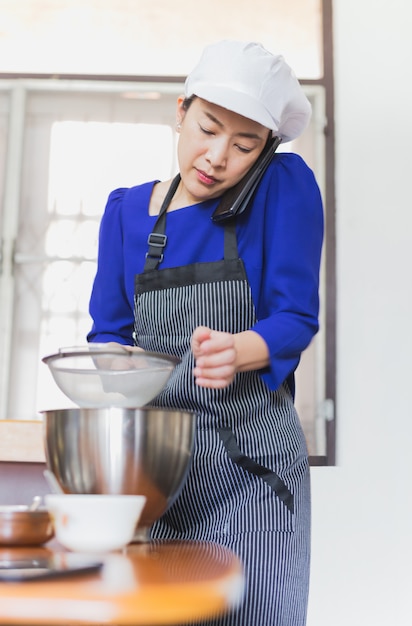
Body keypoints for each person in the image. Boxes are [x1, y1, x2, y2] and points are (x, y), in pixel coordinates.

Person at [87, 40, 324, 626]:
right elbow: (107, 332)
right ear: (180, 110)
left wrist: (237, 351)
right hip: (157, 480)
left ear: (265, 150)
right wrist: (114, 365)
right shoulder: (125, 213)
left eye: (244, 146)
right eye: (208, 128)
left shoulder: (282, 189)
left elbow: (296, 317)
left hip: (251, 475)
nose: (217, 157)